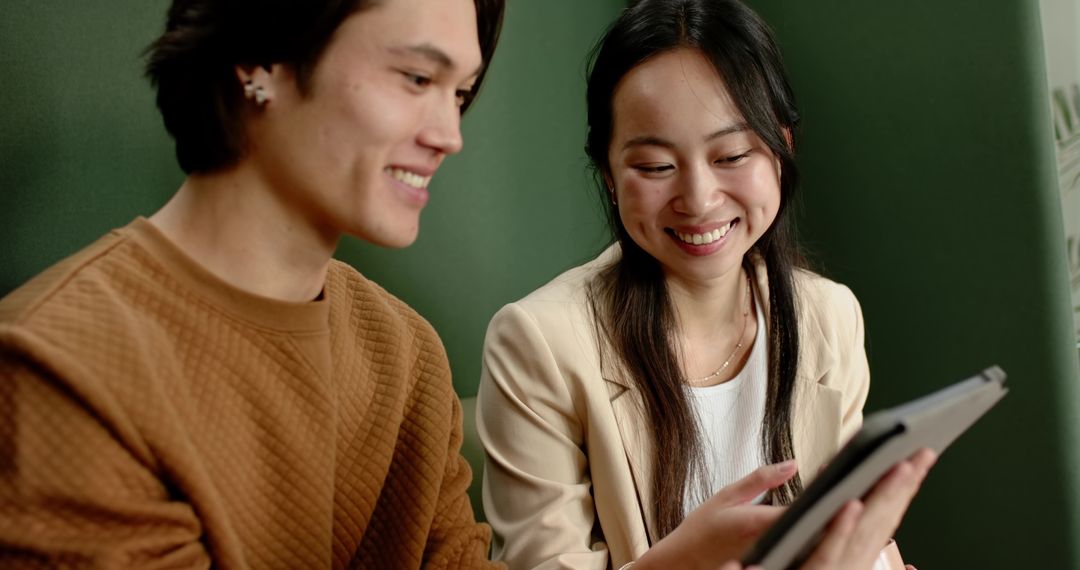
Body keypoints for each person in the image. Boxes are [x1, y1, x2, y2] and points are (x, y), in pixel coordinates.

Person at [0, 0, 505, 567]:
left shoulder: (407, 353)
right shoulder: (59, 367)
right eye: (417, 79)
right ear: (258, 64)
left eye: (460, 93)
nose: (450, 135)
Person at [476, 0, 935, 568]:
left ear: (781, 150)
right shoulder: (538, 342)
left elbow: (849, 539)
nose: (698, 200)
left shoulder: (829, 317)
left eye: (733, 154)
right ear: (609, 175)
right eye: (654, 167)